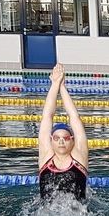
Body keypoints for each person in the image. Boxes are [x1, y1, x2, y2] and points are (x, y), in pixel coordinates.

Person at [38, 63, 89, 204]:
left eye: (65, 138)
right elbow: (47, 116)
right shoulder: (46, 156)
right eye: (57, 138)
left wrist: (62, 87)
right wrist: (55, 84)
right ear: (51, 140)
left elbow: (74, 117)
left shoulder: (79, 156)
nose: (61, 141)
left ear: (72, 140)